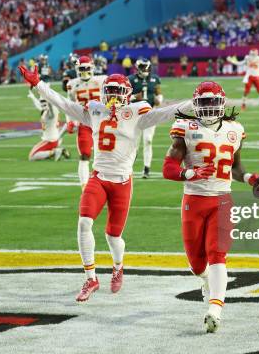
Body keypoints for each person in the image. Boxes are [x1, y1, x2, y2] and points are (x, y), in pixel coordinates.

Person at [18, 65, 191, 302]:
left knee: (113, 237)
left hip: (122, 182)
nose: (112, 97)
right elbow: (63, 103)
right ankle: (91, 278)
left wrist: (197, 102)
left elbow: (168, 112)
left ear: (127, 95)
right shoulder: (95, 111)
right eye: (109, 91)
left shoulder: (137, 113)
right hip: (98, 177)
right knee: (83, 223)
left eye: (117, 92)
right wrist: (38, 84)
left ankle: (118, 267)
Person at [162, 81, 259, 333]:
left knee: (217, 254)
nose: (208, 107)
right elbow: (168, 168)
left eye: (212, 102)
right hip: (194, 200)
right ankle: (207, 281)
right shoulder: (185, 128)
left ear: (221, 103)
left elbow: (236, 168)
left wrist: (251, 178)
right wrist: (190, 173)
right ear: (195, 105)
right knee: (198, 265)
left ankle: (215, 310)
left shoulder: (234, 130)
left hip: (222, 199)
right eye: (204, 102)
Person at [67, 56, 108, 189]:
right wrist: (70, 121)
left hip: (102, 122)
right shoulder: (72, 84)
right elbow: (70, 105)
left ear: (92, 68)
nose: (84, 71)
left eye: (86, 68)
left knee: (106, 154)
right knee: (84, 155)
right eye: (82, 68)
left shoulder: (102, 80)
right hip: (84, 122)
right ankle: (84, 186)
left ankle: (107, 182)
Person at [129, 58, 163, 178]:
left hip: (150, 113)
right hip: (135, 114)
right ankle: (128, 167)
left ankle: (146, 169)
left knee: (148, 141)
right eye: (143, 67)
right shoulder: (131, 79)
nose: (146, 70)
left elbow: (159, 93)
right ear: (138, 68)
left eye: (147, 67)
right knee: (134, 142)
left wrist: (159, 99)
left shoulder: (154, 79)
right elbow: (125, 97)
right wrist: (134, 97)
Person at [27, 90, 69, 161]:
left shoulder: (50, 112)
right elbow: (39, 106)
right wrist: (33, 98)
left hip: (50, 140)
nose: (43, 104)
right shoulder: (47, 110)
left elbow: (51, 112)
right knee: (34, 152)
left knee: (32, 156)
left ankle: (55, 152)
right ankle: (54, 151)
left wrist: (49, 100)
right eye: (42, 102)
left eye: (44, 101)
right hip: (54, 138)